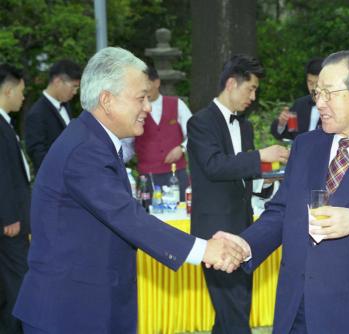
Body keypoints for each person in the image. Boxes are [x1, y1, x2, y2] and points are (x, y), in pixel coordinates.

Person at [12, 47, 246, 334]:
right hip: (68, 313)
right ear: (107, 101)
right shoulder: (84, 149)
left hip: (90, 307)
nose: (148, 107)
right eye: (141, 98)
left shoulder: (93, 140)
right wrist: (204, 250)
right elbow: (126, 216)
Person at [217, 50, 349, 333]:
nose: (319, 103)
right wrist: (246, 245)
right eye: (317, 93)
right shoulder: (307, 146)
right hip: (295, 310)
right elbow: (283, 212)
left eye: (329, 93)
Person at [187, 54, 289, 334]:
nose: (253, 97)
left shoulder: (244, 125)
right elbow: (215, 166)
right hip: (214, 233)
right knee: (234, 312)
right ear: (232, 83)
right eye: (251, 89)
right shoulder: (200, 122)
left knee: (234, 310)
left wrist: (270, 179)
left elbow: (244, 175)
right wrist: (260, 156)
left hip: (245, 231)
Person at [122, 66, 191, 200]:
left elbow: (196, 133)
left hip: (176, 174)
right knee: (148, 216)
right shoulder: (134, 109)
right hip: (147, 176)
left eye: (146, 83)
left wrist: (182, 148)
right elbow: (127, 144)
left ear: (156, 82)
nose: (143, 88)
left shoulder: (177, 104)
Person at [0, 64, 30, 334]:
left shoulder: (5, 123)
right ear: (7, 89)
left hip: (13, 219)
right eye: (21, 91)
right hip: (10, 223)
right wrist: (9, 215)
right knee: (17, 284)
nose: (23, 96)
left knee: (11, 286)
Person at [24, 59, 82, 174]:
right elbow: (38, 157)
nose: (75, 92)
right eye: (74, 86)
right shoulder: (36, 114)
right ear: (58, 81)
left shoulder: (66, 105)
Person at [270, 57, 323, 140]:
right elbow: (290, 133)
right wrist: (282, 124)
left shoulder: (335, 107)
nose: (313, 88)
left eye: (317, 83)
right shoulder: (300, 105)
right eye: (310, 82)